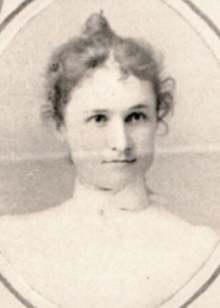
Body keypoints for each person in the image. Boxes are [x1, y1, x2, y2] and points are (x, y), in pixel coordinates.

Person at [0, 13, 219, 308]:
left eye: (136, 116)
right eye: (99, 118)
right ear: (59, 125)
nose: (121, 143)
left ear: (158, 117)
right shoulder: (12, 242)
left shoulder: (199, 248)